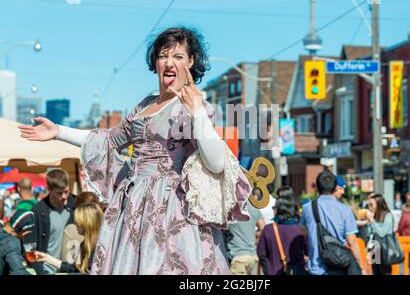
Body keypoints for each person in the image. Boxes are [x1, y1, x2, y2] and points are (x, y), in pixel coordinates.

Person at [18, 26, 251, 274]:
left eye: (178, 56)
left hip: (174, 209)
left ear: (191, 61)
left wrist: (196, 111)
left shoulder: (195, 107)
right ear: (155, 62)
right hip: (134, 207)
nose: (169, 63)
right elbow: (108, 139)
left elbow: (216, 163)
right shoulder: (145, 105)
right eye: (163, 56)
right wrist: (59, 132)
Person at [300, 171, 364, 275]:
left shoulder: (307, 208)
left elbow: (303, 231)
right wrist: (361, 267)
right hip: (338, 266)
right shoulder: (345, 210)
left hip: (315, 268)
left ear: (317, 187)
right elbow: (352, 242)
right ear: (335, 188)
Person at [26, 169, 76, 275]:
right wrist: (41, 271)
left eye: (66, 191)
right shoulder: (38, 211)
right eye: (59, 193)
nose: (64, 196)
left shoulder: (77, 206)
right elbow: (29, 246)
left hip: (72, 269)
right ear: (49, 189)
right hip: (47, 270)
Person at [35, 202, 104, 274]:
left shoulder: (100, 248)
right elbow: (73, 268)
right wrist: (46, 258)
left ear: (87, 223)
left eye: (78, 220)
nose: (75, 223)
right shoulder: (85, 245)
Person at [257, 187, 308, 275]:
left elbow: (261, 254)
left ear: (279, 209)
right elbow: (309, 251)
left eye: (274, 207)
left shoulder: (268, 229)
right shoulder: (301, 229)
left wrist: (268, 271)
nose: (273, 210)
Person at [60, 192, 102, 264]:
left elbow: (67, 263)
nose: (75, 220)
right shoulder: (105, 238)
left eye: (74, 208)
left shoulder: (71, 229)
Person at [225, 200, 265, 275]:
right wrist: (252, 233)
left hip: (237, 257)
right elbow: (263, 230)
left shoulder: (230, 207)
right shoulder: (254, 207)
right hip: (252, 256)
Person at [359, 193, 395, 275]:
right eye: (368, 205)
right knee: (375, 272)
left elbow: (382, 233)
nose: (369, 207)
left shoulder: (388, 216)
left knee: (385, 272)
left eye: (371, 204)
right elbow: (370, 234)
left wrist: (372, 220)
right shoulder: (374, 216)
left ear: (379, 204)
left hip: (384, 249)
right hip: (375, 249)